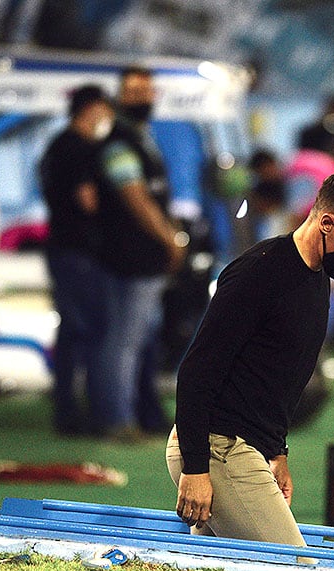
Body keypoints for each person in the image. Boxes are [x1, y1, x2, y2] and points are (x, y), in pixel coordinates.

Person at [168, 171, 334, 545]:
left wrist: (277, 453)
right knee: (295, 567)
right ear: (327, 223)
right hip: (217, 449)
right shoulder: (258, 273)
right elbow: (198, 370)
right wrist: (196, 469)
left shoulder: (316, 272)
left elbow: (277, 380)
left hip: (246, 448)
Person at [101, 65, 188, 440]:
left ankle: (136, 413)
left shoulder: (141, 137)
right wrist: (170, 238)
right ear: (120, 96)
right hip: (131, 258)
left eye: (147, 91)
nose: (142, 98)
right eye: (134, 91)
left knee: (136, 340)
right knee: (124, 342)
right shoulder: (120, 142)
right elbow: (136, 197)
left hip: (142, 258)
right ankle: (119, 420)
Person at [38, 83, 117, 437]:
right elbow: (89, 201)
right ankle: (74, 412)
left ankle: (68, 407)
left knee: (73, 331)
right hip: (78, 252)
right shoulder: (79, 149)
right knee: (83, 331)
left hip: (64, 248)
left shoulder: (57, 146)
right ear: (91, 110)